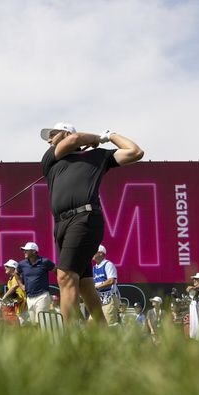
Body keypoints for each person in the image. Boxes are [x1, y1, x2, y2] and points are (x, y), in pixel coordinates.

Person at [40, 122, 144, 323]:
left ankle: (67, 339)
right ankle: (102, 335)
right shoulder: (51, 159)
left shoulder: (98, 157)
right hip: (61, 225)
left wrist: (110, 136)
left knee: (65, 277)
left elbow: (135, 151)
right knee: (86, 284)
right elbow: (75, 140)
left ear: (64, 133)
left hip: (84, 219)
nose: (49, 140)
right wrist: (97, 139)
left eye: (52, 135)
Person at [16, 242, 55, 324]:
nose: (24, 252)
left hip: (42, 296)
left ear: (34, 251)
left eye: (26, 250)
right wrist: (21, 285)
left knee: (41, 322)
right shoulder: (22, 264)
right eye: (24, 250)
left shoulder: (45, 262)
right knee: (34, 324)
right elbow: (16, 273)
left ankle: (45, 336)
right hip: (29, 297)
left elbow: (57, 271)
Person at [92, 245, 121, 325]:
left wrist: (96, 288)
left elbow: (111, 280)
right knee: (92, 324)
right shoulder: (94, 268)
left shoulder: (108, 264)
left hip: (110, 298)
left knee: (108, 323)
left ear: (101, 253)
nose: (91, 253)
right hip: (99, 300)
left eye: (94, 251)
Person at [0, 259, 26, 326]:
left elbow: (15, 287)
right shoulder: (10, 279)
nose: (5, 267)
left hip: (24, 306)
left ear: (13, 268)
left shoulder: (18, 277)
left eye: (7, 266)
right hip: (18, 307)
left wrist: (4, 297)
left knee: (24, 326)